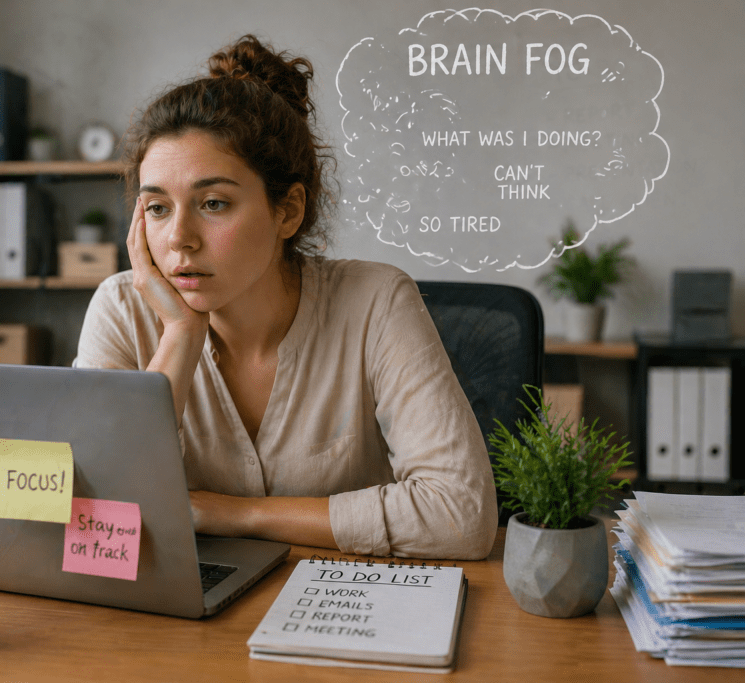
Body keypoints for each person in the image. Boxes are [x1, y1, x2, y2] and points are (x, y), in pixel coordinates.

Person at [75, 35, 497, 560]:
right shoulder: (120, 309)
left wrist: (234, 513)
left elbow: (462, 515)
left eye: (212, 202)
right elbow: (93, 518)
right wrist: (182, 335)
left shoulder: (376, 302)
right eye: (157, 208)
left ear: (288, 211)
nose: (179, 237)